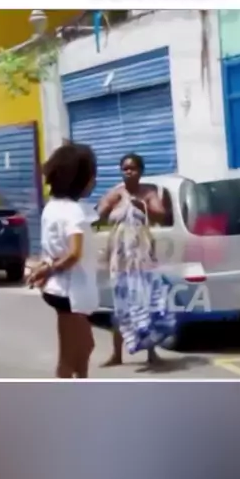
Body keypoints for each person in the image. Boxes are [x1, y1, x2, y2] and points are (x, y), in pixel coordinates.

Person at [28, 143, 98, 379]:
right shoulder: (73, 212)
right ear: (79, 179)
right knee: (70, 357)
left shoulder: (52, 207)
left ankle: (82, 387)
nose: (94, 181)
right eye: (92, 175)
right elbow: (74, 253)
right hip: (70, 293)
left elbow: (53, 245)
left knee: (85, 347)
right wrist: (47, 269)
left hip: (59, 289)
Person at [97, 152, 173, 368]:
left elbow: (162, 216)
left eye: (133, 168)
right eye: (125, 169)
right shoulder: (116, 193)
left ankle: (151, 353)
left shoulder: (148, 193)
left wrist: (144, 207)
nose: (129, 172)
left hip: (142, 257)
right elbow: (100, 215)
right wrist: (109, 204)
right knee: (120, 305)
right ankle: (117, 354)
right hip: (119, 259)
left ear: (141, 171)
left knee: (145, 302)